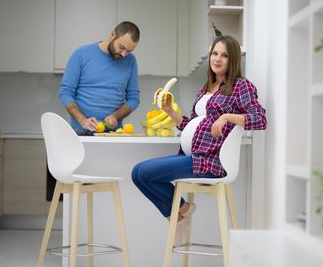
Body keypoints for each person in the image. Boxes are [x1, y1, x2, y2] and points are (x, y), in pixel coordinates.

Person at [131, 35, 267, 245]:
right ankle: (179, 215)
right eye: (215, 53)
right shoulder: (205, 88)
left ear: (233, 61)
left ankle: (182, 212)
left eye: (224, 55)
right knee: (137, 173)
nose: (218, 59)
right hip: (193, 155)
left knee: (145, 173)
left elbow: (260, 118)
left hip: (211, 162)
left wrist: (226, 117)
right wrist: (169, 111)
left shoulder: (241, 86)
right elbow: (191, 126)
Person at [59, 21, 141, 133]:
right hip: (80, 131)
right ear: (112, 34)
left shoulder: (130, 61)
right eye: (121, 47)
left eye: (129, 51)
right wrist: (82, 120)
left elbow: (134, 98)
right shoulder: (81, 54)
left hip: (113, 134)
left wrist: (115, 116)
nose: (123, 54)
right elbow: (66, 92)